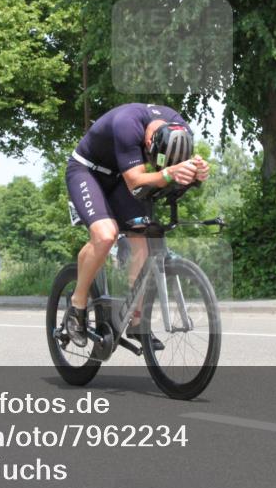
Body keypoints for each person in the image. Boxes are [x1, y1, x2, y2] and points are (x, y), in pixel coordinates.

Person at [65, 103, 210, 348]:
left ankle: (136, 320)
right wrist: (168, 174)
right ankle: (76, 306)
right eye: (156, 159)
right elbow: (136, 181)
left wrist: (197, 172)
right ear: (149, 142)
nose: (159, 164)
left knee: (144, 240)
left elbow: (172, 172)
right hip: (89, 172)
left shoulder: (180, 128)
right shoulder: (127, 124)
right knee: (105, 235)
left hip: (121, 177)